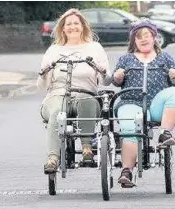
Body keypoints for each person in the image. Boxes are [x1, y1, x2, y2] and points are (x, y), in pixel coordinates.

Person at [112, 19, 175, 185]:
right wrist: (118, 76)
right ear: (134, 41)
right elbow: (115, 81)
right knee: (130, 128)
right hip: (131, 102)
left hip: (156, 104)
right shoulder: (126, 59)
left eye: (147, 35)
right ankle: (127, 171)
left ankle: (164, 133)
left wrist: (174, 75)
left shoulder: (165, 57)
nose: (144, 39)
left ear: (154, 38)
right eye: (139, 36)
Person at [37, 8, 112, 173]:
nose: (72, 27)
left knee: (88, 104)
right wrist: (43, 73)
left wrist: (102, 70)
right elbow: (41, 86)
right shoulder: (54, 50)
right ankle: (53, 159)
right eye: (68, 24)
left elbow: (107, 81)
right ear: (62, 28)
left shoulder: (94, 48)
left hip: (86, 93)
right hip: (57, 94)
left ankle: (87, 149)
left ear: (83, 26)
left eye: (76, 23)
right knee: (57, 112)